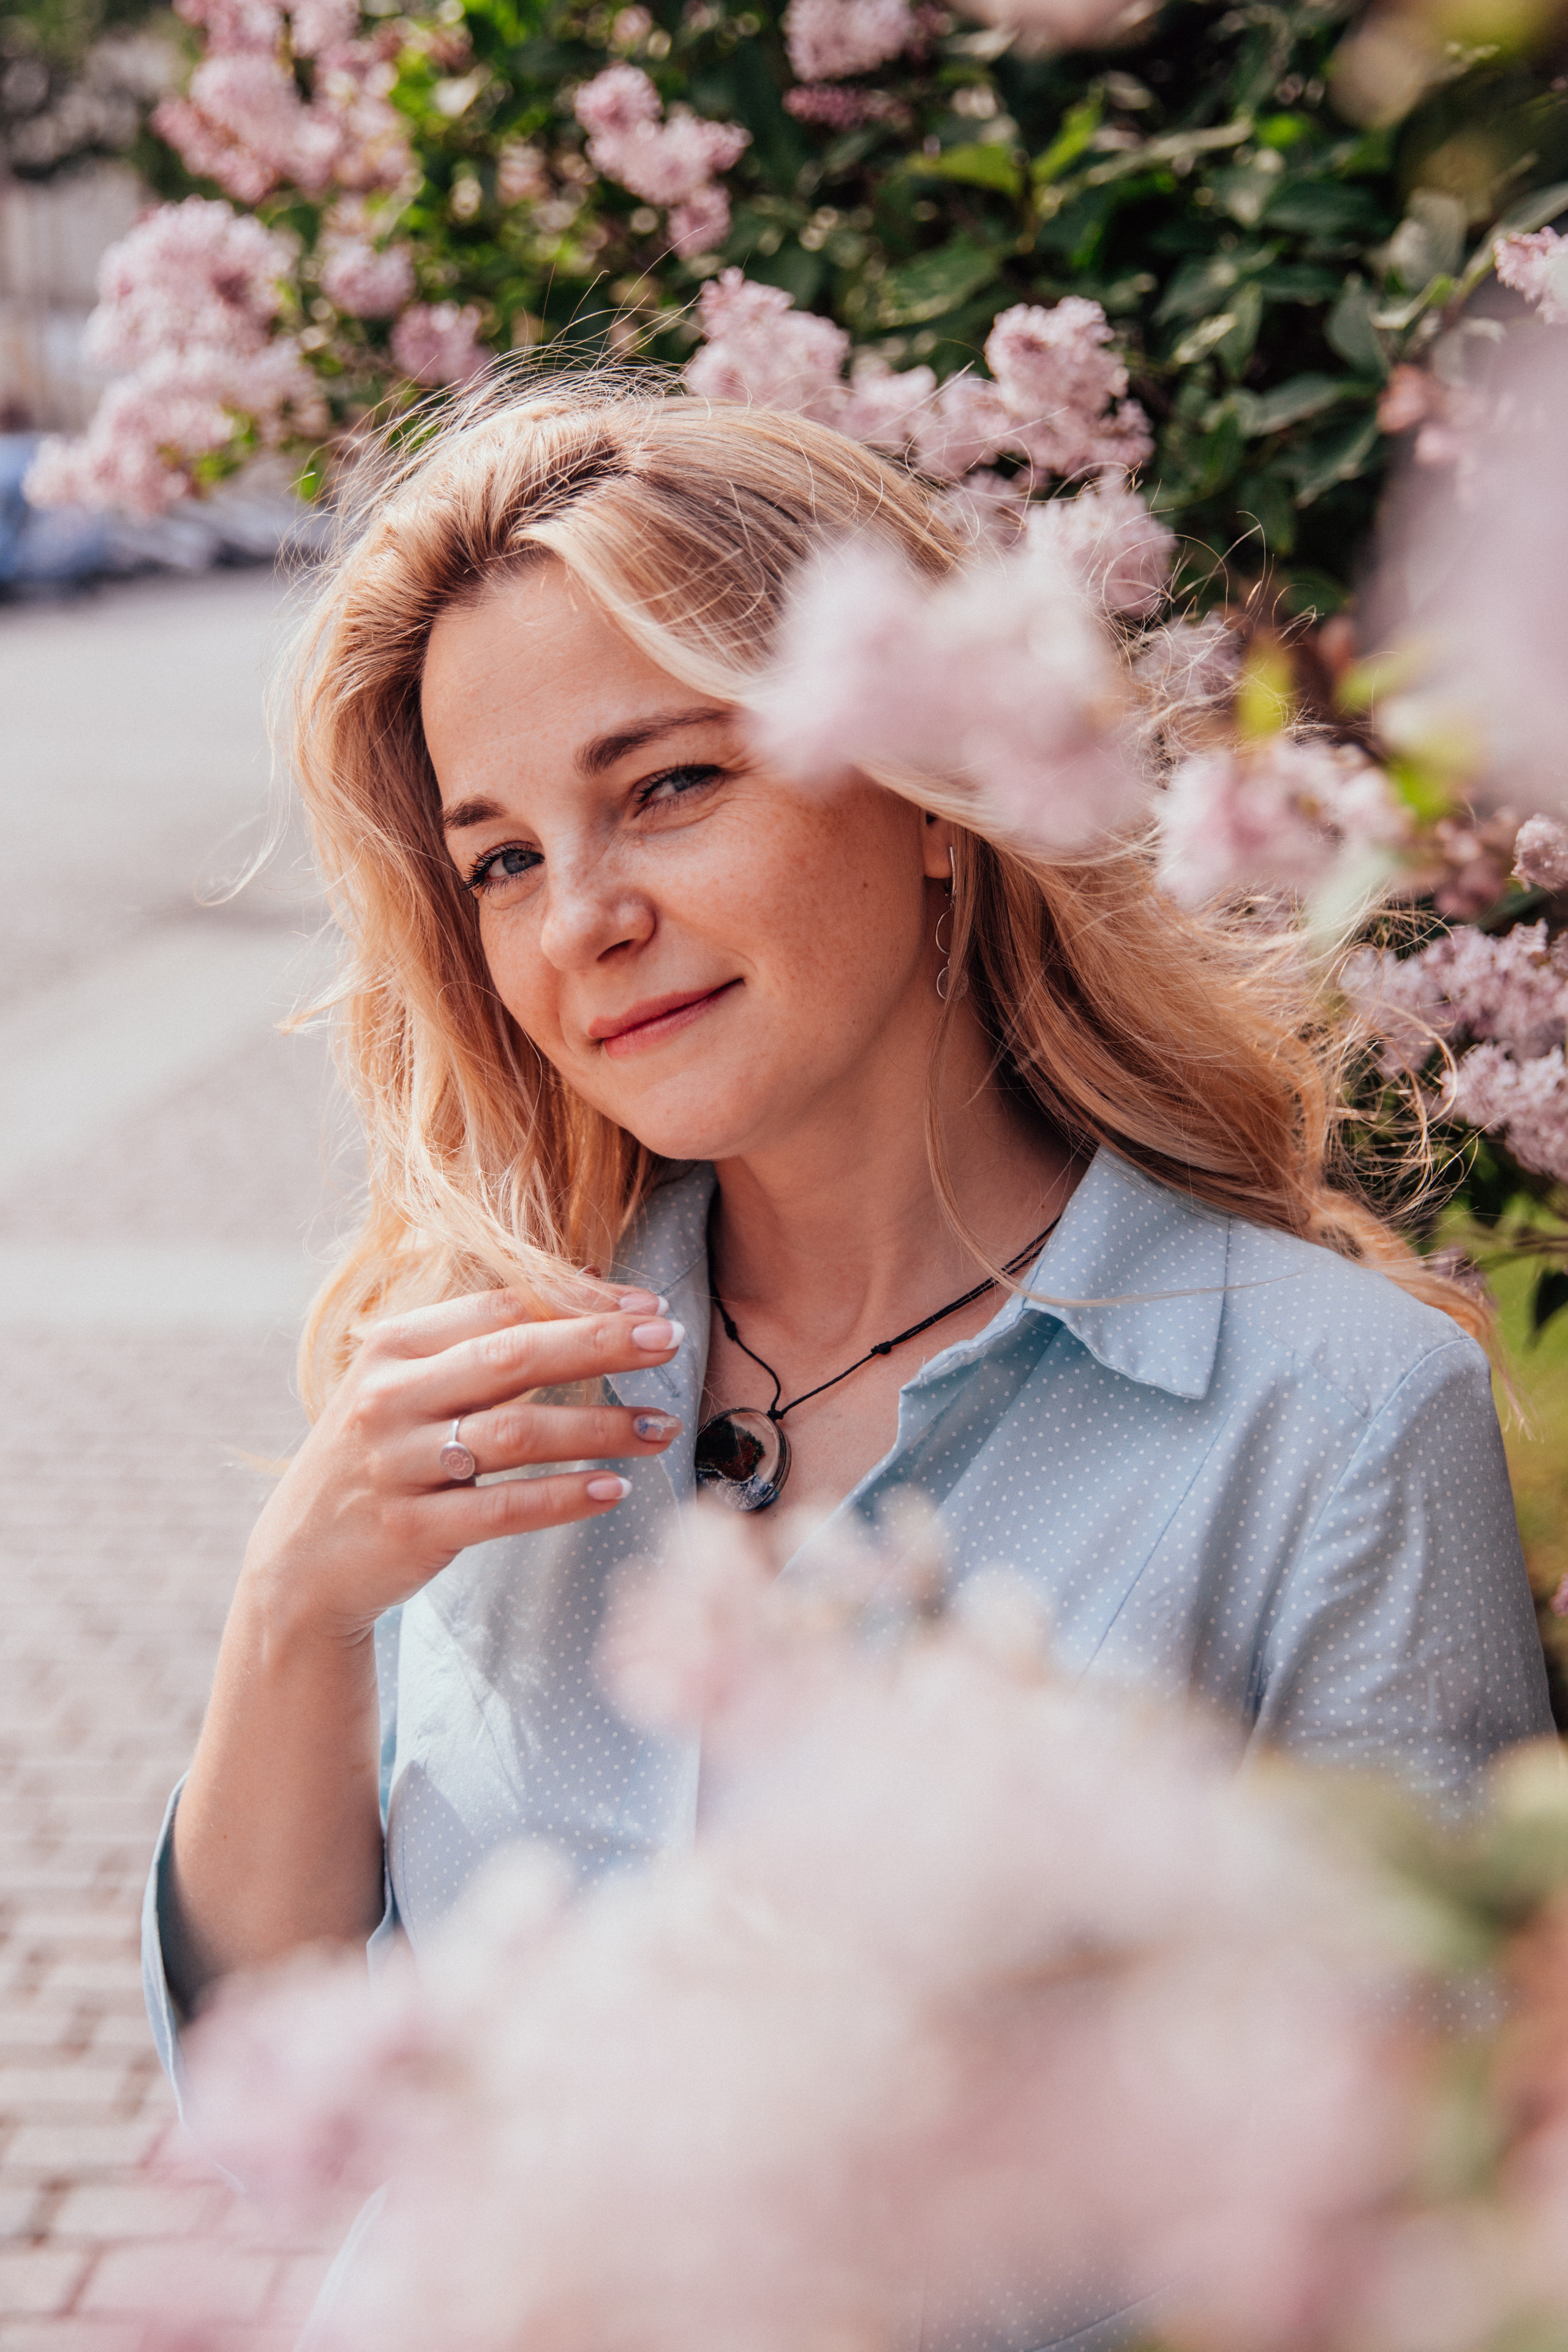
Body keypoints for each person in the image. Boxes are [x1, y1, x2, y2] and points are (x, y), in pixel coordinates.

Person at [146, 378, 1550, 2098]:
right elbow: (260, 2076)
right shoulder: (479, 1386)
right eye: (501, 859)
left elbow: (1428, 2197)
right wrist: (292, 1613)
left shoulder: (1334, 1424)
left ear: (937, 802)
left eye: (665, 784)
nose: (582, 918)